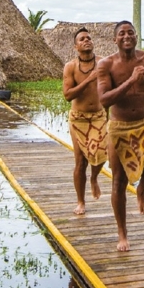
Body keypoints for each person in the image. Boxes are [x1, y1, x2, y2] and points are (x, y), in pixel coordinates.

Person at [97, 21, 144, 252]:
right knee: (118, 181)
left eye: (130, 33)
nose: (127, 36)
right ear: (115, 39)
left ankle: (142, 189)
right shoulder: (106, 65)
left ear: (136, 36)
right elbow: (104, 99)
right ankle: (122, 234)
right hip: (119, 127)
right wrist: (131, 81)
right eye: (121, 34)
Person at [62, 27, 108, 215]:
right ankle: (81, 201)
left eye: (88, 38)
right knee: (81, 161)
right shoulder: (70, 67)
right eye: (82, 39)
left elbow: (112, 87)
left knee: (100, 155)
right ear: (76, 46)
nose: (86, 40)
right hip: (78, 118)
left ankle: (94, 178)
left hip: (99, 116)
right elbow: (67, 95)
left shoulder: (103, 63)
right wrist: (89, 80)